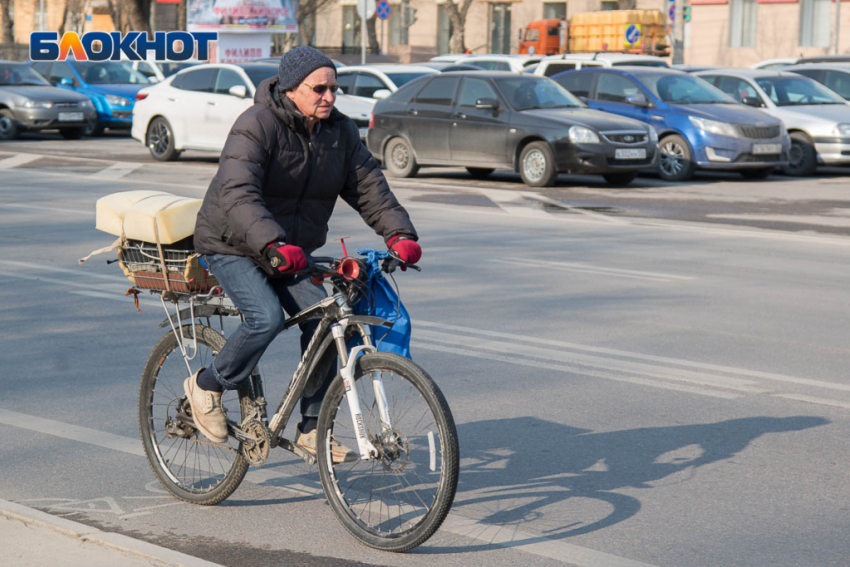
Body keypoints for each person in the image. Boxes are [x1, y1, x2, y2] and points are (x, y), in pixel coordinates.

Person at [188, 46, 422, 462]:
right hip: (232, 243)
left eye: (334, 88)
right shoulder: (257, 124)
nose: (329, 96)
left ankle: (312, 430)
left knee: (329, 321)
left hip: (289, 251)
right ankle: (207, 384)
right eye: (320, 88)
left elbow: (369, 187)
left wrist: (399, 233)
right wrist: (273, 243)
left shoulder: (340, 133)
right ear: (292, 89)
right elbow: (238, 193)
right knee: (266, 317)